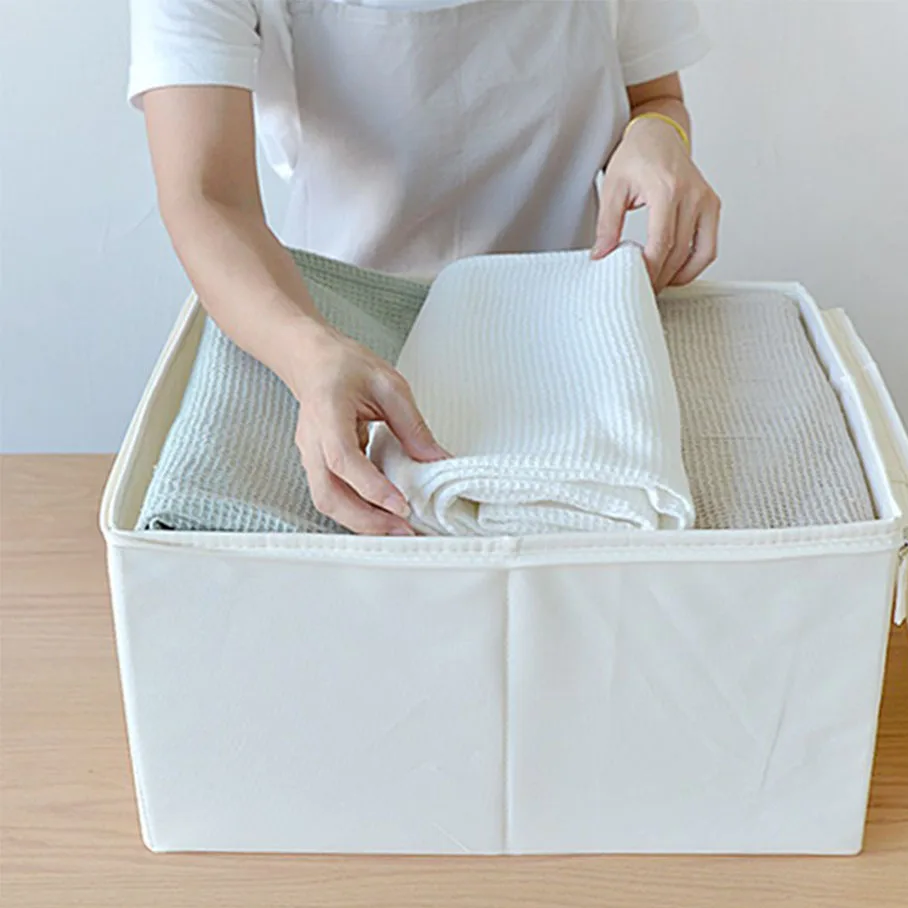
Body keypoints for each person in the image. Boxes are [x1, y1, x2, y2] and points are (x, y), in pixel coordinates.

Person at [129, 0, 721, 536]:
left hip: (566, 331)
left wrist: (658, 134)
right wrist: (308, 355)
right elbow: (207, 195)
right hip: (334, 329)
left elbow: (655, 97)